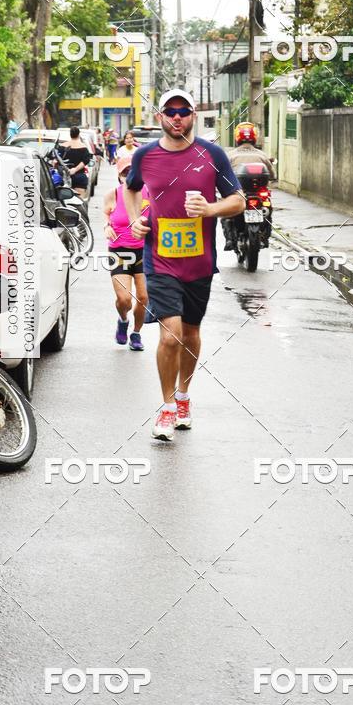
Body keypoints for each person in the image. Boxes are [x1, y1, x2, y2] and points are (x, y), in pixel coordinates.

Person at [125, 88, 245, 441]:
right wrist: (135, 220)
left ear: (193, 115)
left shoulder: (212, 155)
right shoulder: (144, 157)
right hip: (159, 260)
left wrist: (210, 209)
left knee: (191, 333)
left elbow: (238, 200)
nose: (177, 117)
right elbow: (131, 189)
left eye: (183, 111)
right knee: (171, 333)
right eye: (170, 111)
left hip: (200, 263)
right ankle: (164, 408)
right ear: (160, 116)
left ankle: (183, 397)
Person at [103, 157, 149, 350]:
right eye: (124, 172)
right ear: (119, 176)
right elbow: (106, 213)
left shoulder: (150, 192)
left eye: (133, 171)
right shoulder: (113, 194)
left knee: (144, 298)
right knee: (124, 300)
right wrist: (106, 225)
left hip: (145, 251)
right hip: (119, 251)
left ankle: (136, 334)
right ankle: (123, 321)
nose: (128, 175)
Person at [222, 121, 276, 251]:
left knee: (226, 213)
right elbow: (273, 175)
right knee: (268, 209)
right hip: (259, 195)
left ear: (237, 138)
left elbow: (223, 175)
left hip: (238, 193)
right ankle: (265, 237)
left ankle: (229, 240)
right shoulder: (262, 155)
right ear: (254, 137)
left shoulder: (230, 155)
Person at [59, 126, 91, 197]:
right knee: (80, 200)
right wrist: (75, 169)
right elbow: (86, 160)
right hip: (79, 176)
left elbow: (57, 160)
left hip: (64, 177)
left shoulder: (62, 146)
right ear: (79, 134)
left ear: (70, 135)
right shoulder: (83, 147)